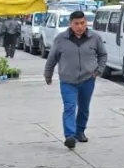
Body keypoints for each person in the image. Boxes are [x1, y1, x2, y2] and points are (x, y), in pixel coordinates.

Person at [44, 10, 107, 149]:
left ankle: (80, 132)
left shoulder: (94, 38)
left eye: (83, 23)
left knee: (84, 108)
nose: (80, 26)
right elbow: (52, 58)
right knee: (69, 107)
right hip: (67, 80)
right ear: (70, 24)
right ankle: (69, 136)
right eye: (76, 23)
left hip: (88, 79)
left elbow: (103, 55)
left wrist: (98, 70)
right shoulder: (61, 39)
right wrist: (48, 74)